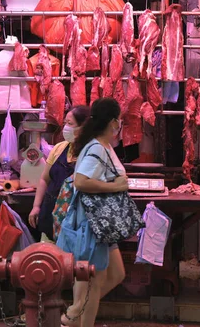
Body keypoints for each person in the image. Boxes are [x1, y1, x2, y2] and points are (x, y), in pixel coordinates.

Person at [61, 98, 128, 327]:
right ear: (112, 122)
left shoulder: (103, 145)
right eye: (119, 119)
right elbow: (81, 182)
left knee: (115, 274)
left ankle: (75, 312)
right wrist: (115, 186)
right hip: (93, 224)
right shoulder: (97, 147)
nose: (120, 124)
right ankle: (72, 316)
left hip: (102, 223)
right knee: (92, 280)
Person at [28, 106, 90, 240]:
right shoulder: (59, 148)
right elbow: (44, 179)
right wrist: (36, 206)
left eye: (70, 124)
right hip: (49, 214)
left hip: (76, 220)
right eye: (65, 123)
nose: (65, 128)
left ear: (83, 127)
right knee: (49, 257)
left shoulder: (91, 152)